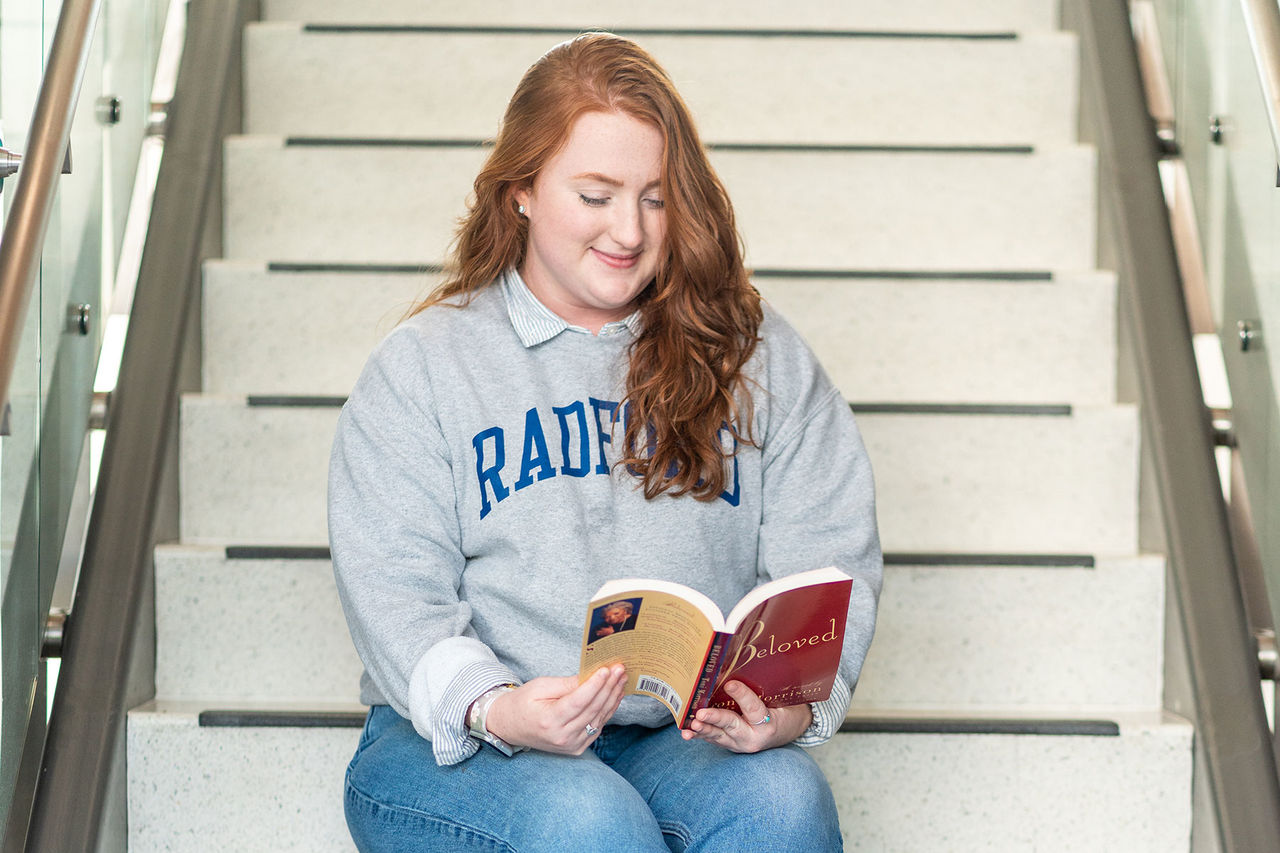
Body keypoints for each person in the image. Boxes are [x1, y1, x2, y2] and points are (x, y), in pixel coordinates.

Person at [328, 31, 882, 853]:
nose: (629, 229)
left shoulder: (759, 357)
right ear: (521, 190)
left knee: (782, 801)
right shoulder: (424, 367)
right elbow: (395, 593)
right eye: (596, 195)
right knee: (589, 821)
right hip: (458, 746)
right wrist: (500, 705)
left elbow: (827, 558)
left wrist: (795, 700)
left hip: (673, 741)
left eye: (655, 197)